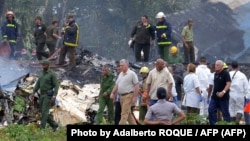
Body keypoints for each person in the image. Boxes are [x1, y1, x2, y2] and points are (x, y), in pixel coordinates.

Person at [32, 60, 59, 131]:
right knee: (42, 111)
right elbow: (38, 83)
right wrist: (33, 92)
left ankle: (42, 129)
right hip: (42, 95)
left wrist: (54, 96)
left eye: (44, 65)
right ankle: (54, 125)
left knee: (44, 112)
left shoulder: (52, 74)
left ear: (48, 65)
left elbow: (56, 85)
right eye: (42, 65)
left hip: (48, 95)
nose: (43, 66)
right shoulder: (41, 73)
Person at [110, 59, 139, 125]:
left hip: (128, 95)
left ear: (127, 65)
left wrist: (135, 97)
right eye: (120, 66)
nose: (120, 67)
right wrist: (112, 92)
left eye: (122, 65)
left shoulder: (132, 74)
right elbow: (117, 85)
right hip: (121, 96)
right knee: (128, 114)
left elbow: (137, 85)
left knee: (124, 114)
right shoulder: (120, 74)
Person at [208, 60, 231, 125]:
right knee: (210, 110)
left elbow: (228, 84)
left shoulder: (225, 73)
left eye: (217, 65)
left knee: (225, 113)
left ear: (221, 66)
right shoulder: (215, 74)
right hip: (214, 97)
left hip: (223, 98)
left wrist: (223, 92)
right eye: (215, 65)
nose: (216, 66)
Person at [228, 60, 250, 124]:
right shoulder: (242, 75)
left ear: (231, 66)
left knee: (231, 110)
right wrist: (247, 98)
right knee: (240, 109)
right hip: (240, 94)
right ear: (238, 67)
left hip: (230, 94)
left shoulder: (228, 74)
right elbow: (246, 87)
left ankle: (233, 123)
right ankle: (238, 119)